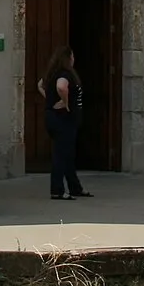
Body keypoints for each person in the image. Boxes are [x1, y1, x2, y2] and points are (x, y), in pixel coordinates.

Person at [39, 46, 91, 200]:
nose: (74, 59)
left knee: (67, 155)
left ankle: (75, 187)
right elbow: (61, 86)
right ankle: (57, 190)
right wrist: (64, 102)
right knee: (61, 156)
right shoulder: (64, 74)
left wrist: (50, 99)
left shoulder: (52, 74)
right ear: (67, 58)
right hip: (63, 120)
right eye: (72, 56)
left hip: (55, 118)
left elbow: (40, 85)